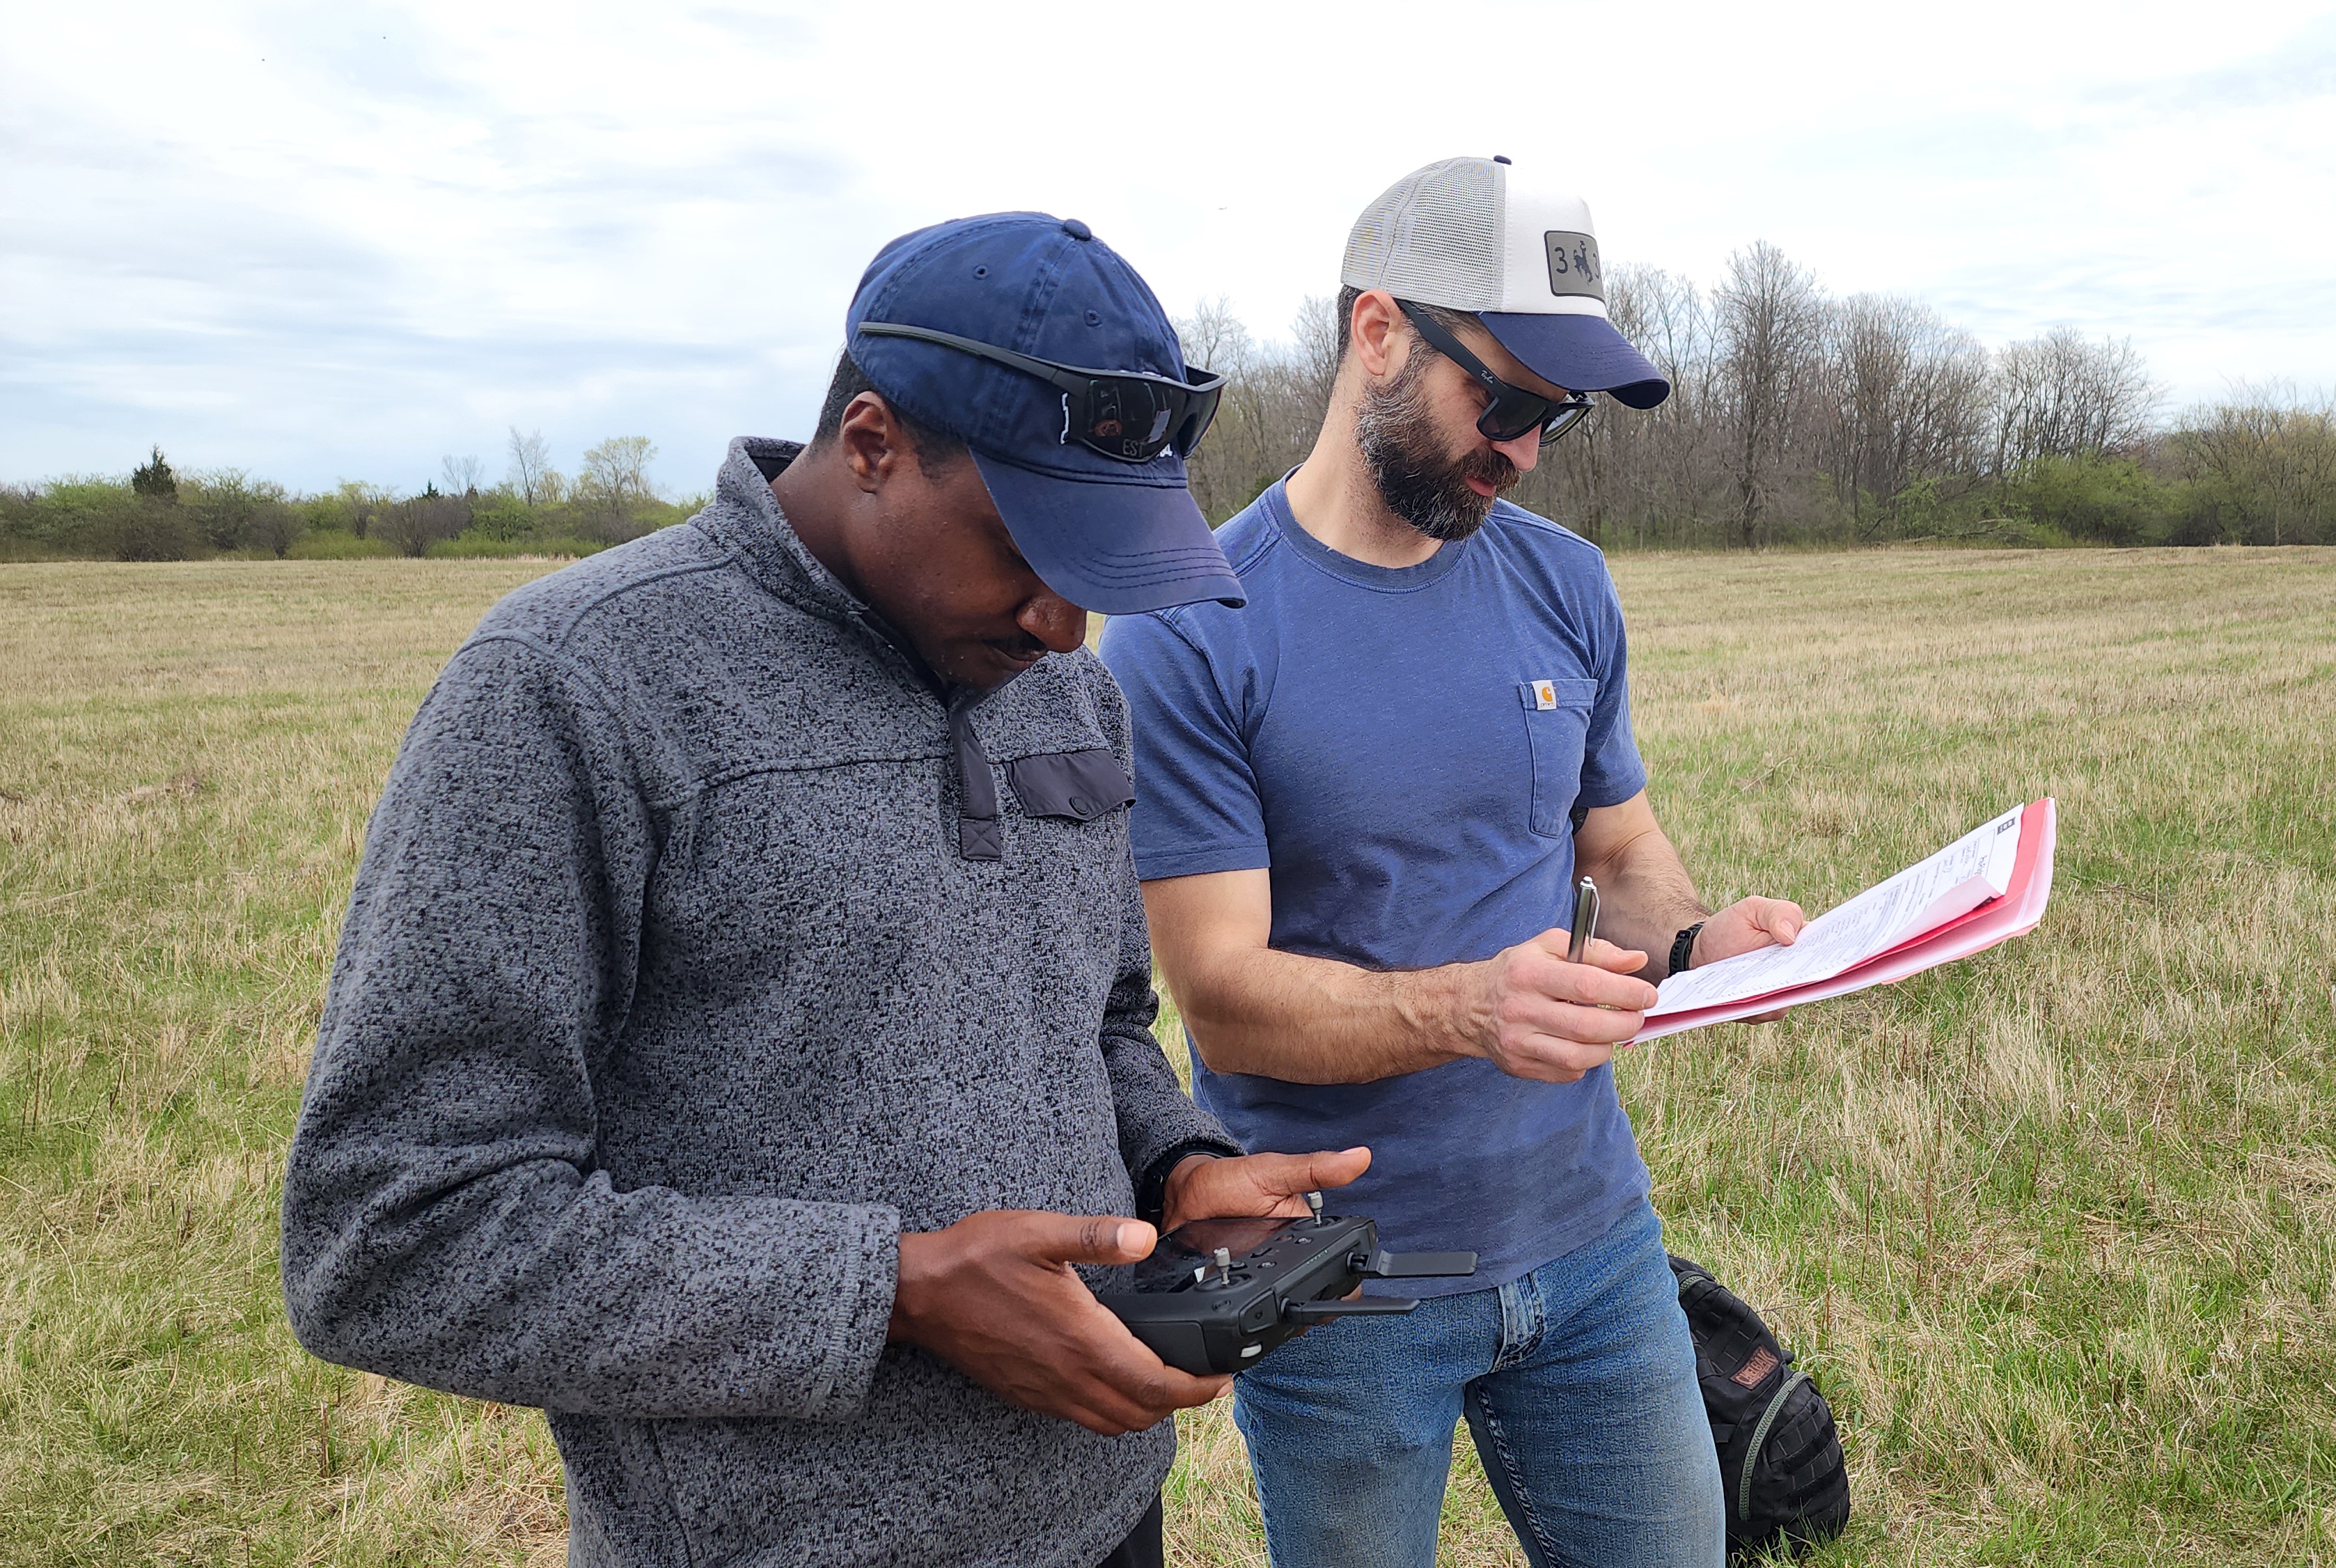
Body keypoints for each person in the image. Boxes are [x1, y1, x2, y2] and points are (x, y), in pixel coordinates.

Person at [280, 212, 1369, 1568]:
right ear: (871, 443)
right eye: (1029, 553)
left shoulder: (1070, 698)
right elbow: (391, 1234)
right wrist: (892, 1295)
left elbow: (1090, 1028)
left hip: (1100, 1517)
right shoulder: (575, 689)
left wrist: (1181, 1162)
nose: (1062, 624)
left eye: (1098, 574)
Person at [1099, 158, 1809, 1568]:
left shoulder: (1563, 583)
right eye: (1503, 402)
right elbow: (1221, 995)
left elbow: (1617, 844)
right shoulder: (1192, 636)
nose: (1526, 451)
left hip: (1593, 1242)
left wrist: (1692, 938)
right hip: (1344, 1280)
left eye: (1558, 418)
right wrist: (1468, 1008)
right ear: (1376, 331)